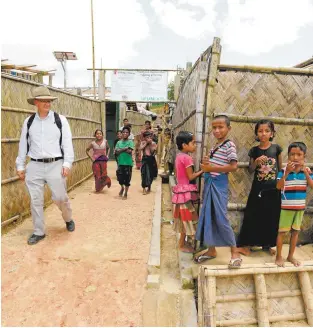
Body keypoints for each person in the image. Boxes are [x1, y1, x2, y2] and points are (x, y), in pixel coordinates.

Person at [16, 86, 75, 245]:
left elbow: (67, 143)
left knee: (60, 197)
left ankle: (68, 218)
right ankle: (39, 231)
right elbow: (23, 145)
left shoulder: (60, 120)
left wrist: (67, 163)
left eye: (49, 100)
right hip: (34, 165)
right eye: (43, 100)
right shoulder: (28, 122)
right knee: (35, 200)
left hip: (56, 164)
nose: (47, 103)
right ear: (36, 102)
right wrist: (20, 166)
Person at [194, 115, 242, 268]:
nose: (217, 130)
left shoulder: (229, 145)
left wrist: (211, 168)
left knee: (221, 217)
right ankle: (211, 250)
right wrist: (207, 164)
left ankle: (235, 253)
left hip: (219, 184)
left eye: (221, 127)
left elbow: (233, 166)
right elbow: (211, 165)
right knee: (209, 216)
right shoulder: (216, 145)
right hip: (210, 183)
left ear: (229, 128)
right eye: (214, 127)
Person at [237, 120, 282, 256]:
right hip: (258, 189)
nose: (263, 133)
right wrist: (256, 162)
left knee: (271, 216)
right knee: (252, 215)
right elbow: (250, 170)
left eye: (267, 131)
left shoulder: (276, 149)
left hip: (273, 189)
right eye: (260, 131)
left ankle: (267, 245)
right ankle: (247, 246)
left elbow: (280, 168)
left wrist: (280, 184)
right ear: (256, 133)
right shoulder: (254, 150)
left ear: (272, 133)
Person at [275, 142, 313, 267]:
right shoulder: (283, 170)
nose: (295, 157)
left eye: (299, 154)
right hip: (286, 208)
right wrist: (286, 173)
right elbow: (278, 186)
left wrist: (306, 172)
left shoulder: (307, 171)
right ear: (288, 156)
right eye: (292, 154)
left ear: (304, 157)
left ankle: (290, 256)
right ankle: (279, 256)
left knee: (295, 232)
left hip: (300, 208)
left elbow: (312, 186)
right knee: (281, 232)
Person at [172, 131, 203, 253]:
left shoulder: (179, 156)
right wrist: (202, 171)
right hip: (186, 193)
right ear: (185, 145)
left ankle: (182, 243)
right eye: (193, 143)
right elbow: (190, 177)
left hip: (180, 192)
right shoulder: (187, 158)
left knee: (183, 218)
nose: (195, 145)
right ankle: (182, 244)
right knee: (188, 218)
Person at [114, 126, 134, 200]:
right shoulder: (118, 142)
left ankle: (125, 193)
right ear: (121, 133)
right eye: (123, 132)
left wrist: (121, 150)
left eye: (127, 132)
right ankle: (122, 187)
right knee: (120, 178)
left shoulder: (130, 142)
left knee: (127, 179)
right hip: (120, 163)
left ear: (129, 134)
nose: (125, 133)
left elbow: (130, 151)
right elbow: (116, 152)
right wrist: (125, 148)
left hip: (128, 163)